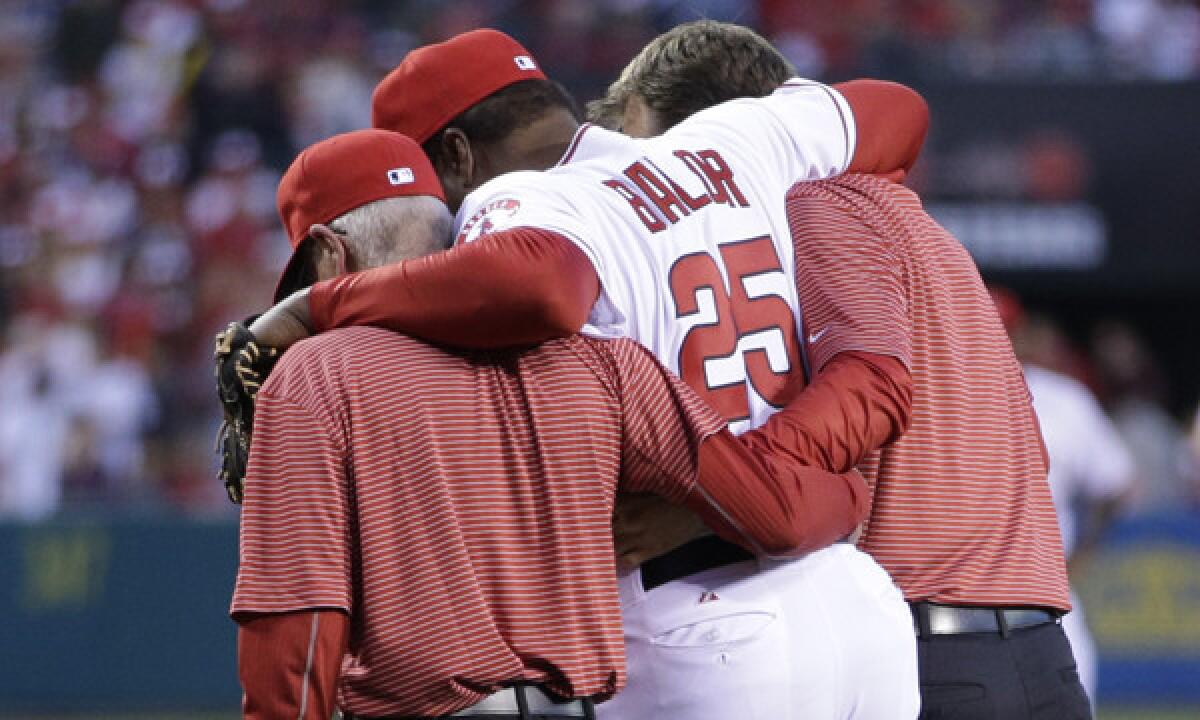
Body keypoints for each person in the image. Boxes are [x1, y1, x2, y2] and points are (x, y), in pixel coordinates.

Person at [244, 26, 924, 719]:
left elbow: (544, 284)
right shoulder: (726, 137)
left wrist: (319, 306)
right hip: (851, 597)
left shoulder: (510, 209)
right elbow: (900, 111)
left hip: (692, 625)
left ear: (455, 156)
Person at [583, 24, 1088, 719]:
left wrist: (707, 507)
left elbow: (870, 392)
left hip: (930, 655)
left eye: (646, 149)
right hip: (1035, 654)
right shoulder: (927, 233)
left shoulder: (814, 203)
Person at [996, 291, 1135, 707]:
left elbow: (1118, 484)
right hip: (956, 601)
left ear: (1019, 335)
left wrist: (1083, 554)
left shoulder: (1063, 399)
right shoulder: (930, 392)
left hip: (1048, 594)